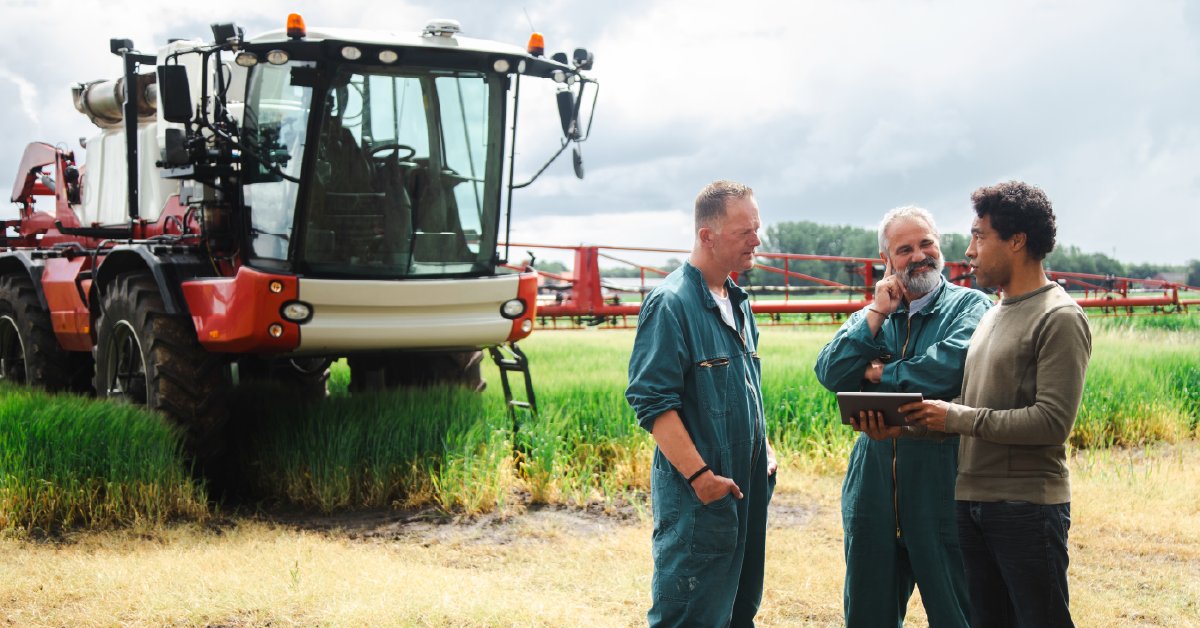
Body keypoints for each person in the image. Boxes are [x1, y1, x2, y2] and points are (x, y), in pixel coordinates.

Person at [900, 181, 1091, 627]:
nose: (969, 250)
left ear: (1017, 241)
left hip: (1026, 506)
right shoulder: (994, 312)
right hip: (971, 500)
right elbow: (975, 407)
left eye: (979, 236)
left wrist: (957, 416)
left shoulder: (1059, 317)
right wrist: (913, 425)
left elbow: (1052, 422)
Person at [814, 206, 991, 627]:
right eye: (905, 249)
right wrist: (876, 313)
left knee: (956, 613)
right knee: (868, 615)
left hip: (940, 485)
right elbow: (831, 372)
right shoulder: (874, 316)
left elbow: (947, 366)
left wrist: (878, 372)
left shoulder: (971, 306)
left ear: (940, 246)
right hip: (871, 486)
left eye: (926, 243)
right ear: (887, 262)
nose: (919, 255)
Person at [626, 180, 778, 627]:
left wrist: (763, 447)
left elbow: (745, 387)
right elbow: (652, 403)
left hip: (745, 489)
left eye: (758, 228)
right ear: (706, 236)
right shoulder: (671, 304)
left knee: (738, 610)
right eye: (745, 231)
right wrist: (700, 478)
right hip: (701, 497)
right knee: (689, 614)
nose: (757, 240)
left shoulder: (738, 301)